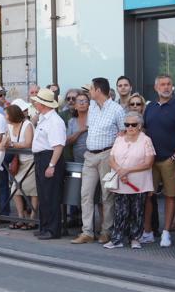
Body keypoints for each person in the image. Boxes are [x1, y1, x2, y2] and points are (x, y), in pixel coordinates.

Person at [72, 78, 125, 245]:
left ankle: (106, 231)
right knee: (85, 194)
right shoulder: (93, 107)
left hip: (106, 154)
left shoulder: (117, 109)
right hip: (90, 155)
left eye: (91, 89)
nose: (89, 93)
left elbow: (124, 133)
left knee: (107, 195)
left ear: (98, 91)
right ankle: (87, 231)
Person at [143, 75, 175, 248]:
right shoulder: (150, 108)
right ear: (156, 88)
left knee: (171, 196)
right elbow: (144, 130)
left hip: (171, 160)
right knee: (148, 195)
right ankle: (147, 231)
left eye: (169, 84)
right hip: (151, 160)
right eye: (162, 84)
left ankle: (166, 233)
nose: (166, 87)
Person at [104, 111, 156, 249]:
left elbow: (148, 162)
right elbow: (111, 159)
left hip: (138, 183)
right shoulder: (119, 139)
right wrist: (120, 171)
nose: (130, 127)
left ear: (140, 125)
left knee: (137, 211)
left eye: (134, 124)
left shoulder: (146, 140)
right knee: (120, 211)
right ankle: (117, 239)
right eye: (127, 124)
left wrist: (128, 170)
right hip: (121, 180)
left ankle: (135, 238)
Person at [28, 88, 66, 239]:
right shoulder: (44, 118)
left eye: (37, 101)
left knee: (51, 195)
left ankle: (52, 230)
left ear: (43, 104)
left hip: (49, 158)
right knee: (43, 194)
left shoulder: (55, 121)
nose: (35, 103)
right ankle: (44, 227)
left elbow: (58, 146)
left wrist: (51, 165)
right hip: (41, 157)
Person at [0, 102, 36, 229]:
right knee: (15, 188)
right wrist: (3, 144)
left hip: (30, 161)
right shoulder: (9, 126)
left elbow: (28, 143)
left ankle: (33, 219)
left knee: (33, 191)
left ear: (12, 115)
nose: (5, 117)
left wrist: (11, 144)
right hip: (18, 162)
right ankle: (20, 216)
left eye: (6, 115)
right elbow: (5, 141)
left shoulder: (27, 125)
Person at [65, 93, 90, 164]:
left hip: (93, 155)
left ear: (88, 105)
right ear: (75, 106)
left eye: (85, 101)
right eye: (79, 101)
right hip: (78, 157)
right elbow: (68, 141)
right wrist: (80, 131)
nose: (82, 103)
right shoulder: (72, 121)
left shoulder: (94, 119)